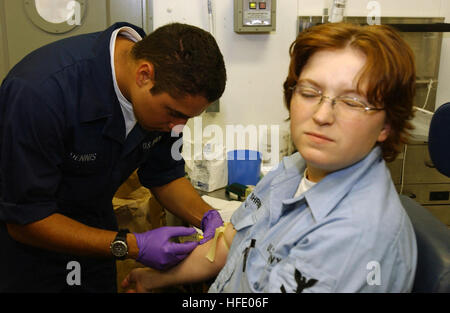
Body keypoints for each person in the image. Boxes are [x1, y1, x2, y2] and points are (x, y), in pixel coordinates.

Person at [122, 22, 418, 293]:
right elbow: (230, 244)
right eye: (310, 92)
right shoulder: (293, 171)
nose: (322, 115)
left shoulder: (355, 237)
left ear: (387, 124)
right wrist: (157, 278)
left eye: (352, 101)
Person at [0, 22, 226, 292]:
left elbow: (165, 175)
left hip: (97, 241)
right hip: (31, 252)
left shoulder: (166, 101)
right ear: (144, 75)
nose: (178, 126)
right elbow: (25, 219)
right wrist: (131, 245)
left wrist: (208, 217)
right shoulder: (40, 93)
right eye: (175, 113)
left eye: (188, 117)